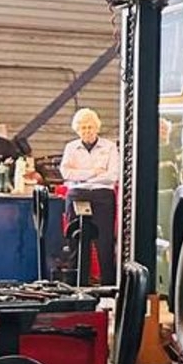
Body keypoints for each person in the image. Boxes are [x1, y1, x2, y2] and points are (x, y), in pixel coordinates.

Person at [59, 108, 119, 282]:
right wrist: (93, 172)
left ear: (97, 127)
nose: (87, 131)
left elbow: (112, 175)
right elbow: (66, 174)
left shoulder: (109, 147)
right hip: (77, 194)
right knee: (77, 239)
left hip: (102, 195)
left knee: (104, 241)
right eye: (83, 127)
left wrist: (81, 174)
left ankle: (108, 283)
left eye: (90, 127)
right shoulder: (71, 147)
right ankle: (76, 282)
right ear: (77, 130)